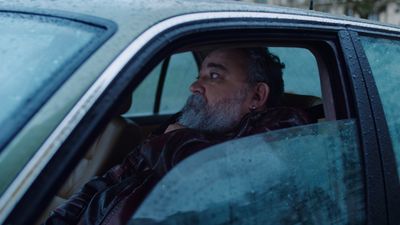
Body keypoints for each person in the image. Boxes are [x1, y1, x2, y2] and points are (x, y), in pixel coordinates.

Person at [43, 47, 310, 225]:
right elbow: (105, 183)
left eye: (214, 76)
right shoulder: (188, 128)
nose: (194, 86)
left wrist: (173, 138)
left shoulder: (284, 128)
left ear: (257, 96)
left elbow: (220, 180)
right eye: (199, 75)